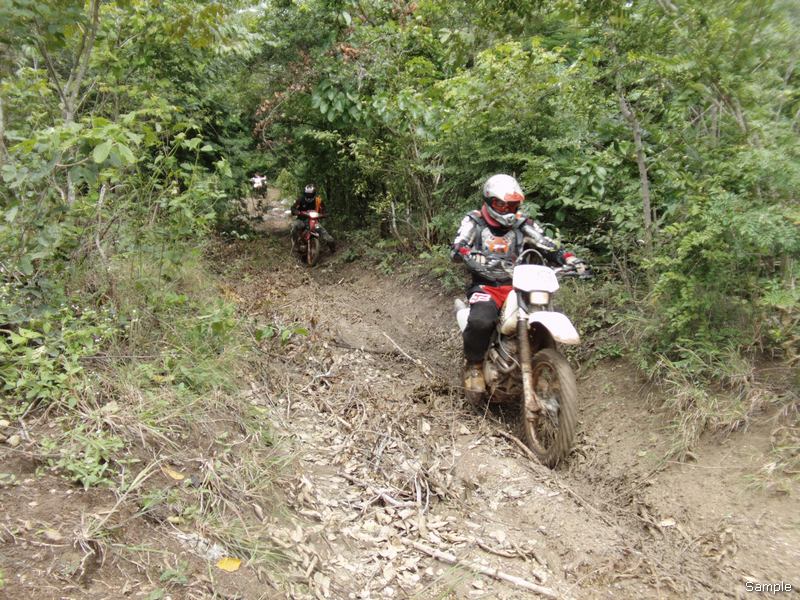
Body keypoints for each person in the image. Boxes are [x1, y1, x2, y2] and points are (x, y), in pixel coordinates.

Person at [451, 174, 591, 395]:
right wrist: (467, 253)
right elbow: (458, 246)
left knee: (547, 312)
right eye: (501, 204)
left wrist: (570, 259)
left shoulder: (522, 223)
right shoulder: (474, 221)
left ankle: (545, 367)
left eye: (512, 205)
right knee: (481, 320)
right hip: (487, 286)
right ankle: (474, 365)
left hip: (521, 285)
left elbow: (547, 245)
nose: (507, 209)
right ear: (489, 201)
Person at [290, 184, 336, 252]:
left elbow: (325, 211)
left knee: (328, 237)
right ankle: (295, 244)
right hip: (301, 220)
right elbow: (293, 208)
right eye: (307, 194)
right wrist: (298, 212)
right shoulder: (300, 200)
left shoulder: (318, 201)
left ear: (314, 194)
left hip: (314, 221)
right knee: (294, 226)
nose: (309, 196)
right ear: (304, 193)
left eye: (310, 194)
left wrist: (323, 215)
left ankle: (333, 250)